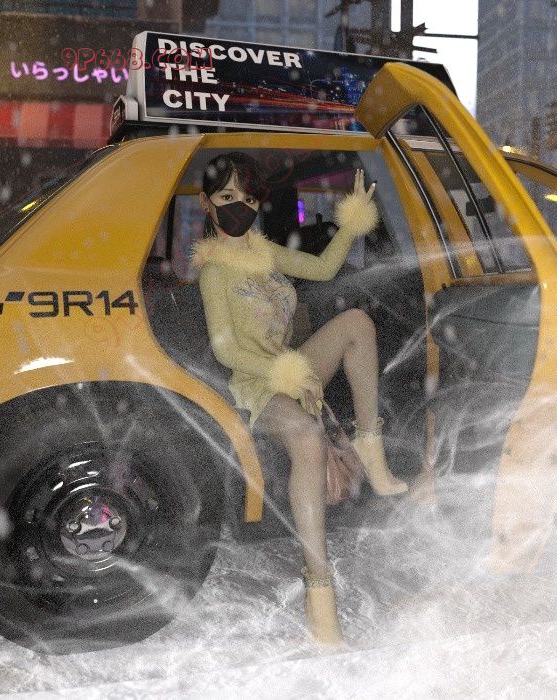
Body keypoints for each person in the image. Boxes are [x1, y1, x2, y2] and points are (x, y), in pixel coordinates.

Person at [191, 151, 408, 646]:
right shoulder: (214, 269)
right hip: (255, 382)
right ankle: (319, 585)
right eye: (227, 197)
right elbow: (225, 349)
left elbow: (325, 269)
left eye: (248, 199)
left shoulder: (263, 252)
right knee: (308, 439)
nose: (239, 207)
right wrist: (284, 373)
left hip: (290, 364)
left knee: (357, 323)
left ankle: (370, 446)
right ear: (207, 203)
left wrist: (352, 219)